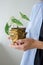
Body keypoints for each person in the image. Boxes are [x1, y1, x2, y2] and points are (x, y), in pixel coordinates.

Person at [10, 1, 43, 65]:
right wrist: (19, 36)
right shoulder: (37, 7)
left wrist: (35, 44)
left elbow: (34, 42)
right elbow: (34, 34)